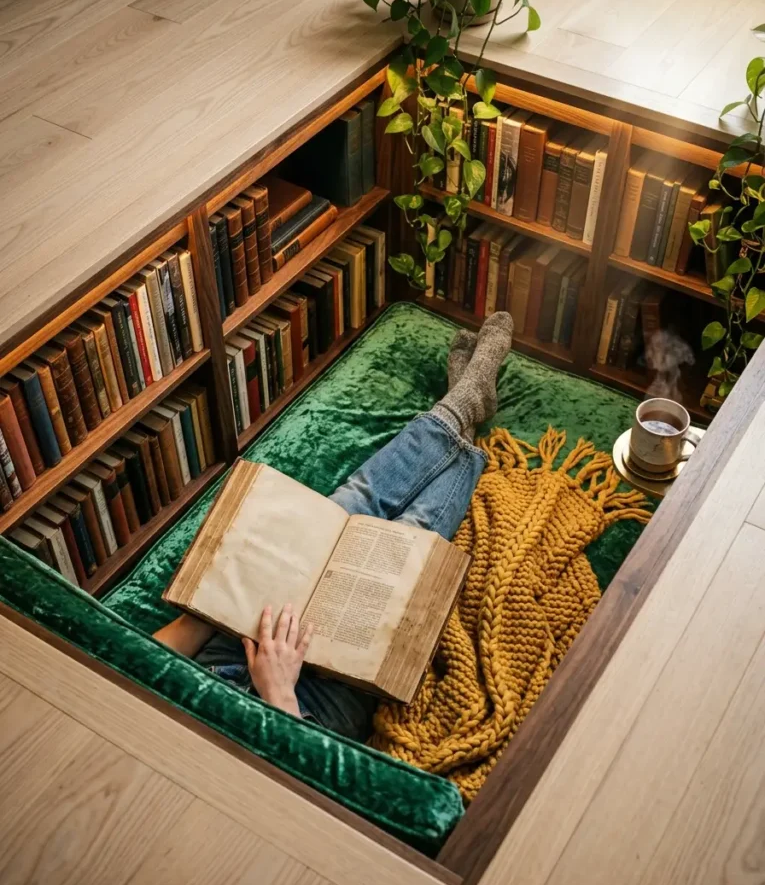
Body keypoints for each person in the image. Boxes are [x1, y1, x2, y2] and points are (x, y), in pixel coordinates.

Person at [154, 312, 514, 739]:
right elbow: (294, 767)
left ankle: (463, 405)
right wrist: (278, 693)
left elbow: (142, 666)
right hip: (308, 703)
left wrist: (210, 607)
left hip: (231, 647)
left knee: (348, 507)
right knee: (410, 542)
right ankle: (464, 406)